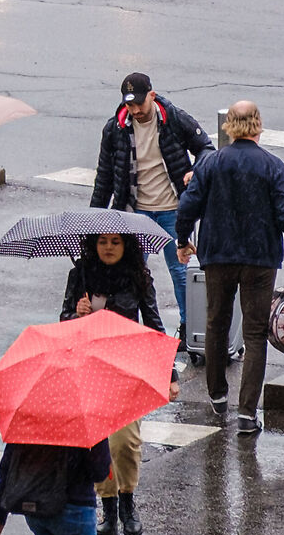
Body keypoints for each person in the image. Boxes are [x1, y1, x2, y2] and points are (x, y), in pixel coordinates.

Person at [176, 101, 284, 437]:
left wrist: (182, 239)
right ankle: (247, 412)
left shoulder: (211, 164)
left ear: (228, 127)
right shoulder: (273, 166)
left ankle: (218, 395)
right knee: (255, 332)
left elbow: (189, 205)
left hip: (217, 254)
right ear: (258, 126)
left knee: (216, 324)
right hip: (260, 259)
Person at [89, 72, 207, 343]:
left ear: (152, 96)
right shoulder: (115, 129)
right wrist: (94, 220)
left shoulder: (174, 119)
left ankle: (190, 332)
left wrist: (194, 172)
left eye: (140, 104)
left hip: (172, 210)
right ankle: (128, 333)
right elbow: (104, 178)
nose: (135, 110)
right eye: (130, 105)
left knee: (180, 273)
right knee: (130, 275)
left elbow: (205, 148)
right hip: (135, 213)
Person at [62, 232, 163, 535]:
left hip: (126, 367)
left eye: (115, 242)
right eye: (102, 242)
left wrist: (168, 374)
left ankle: (128, 503)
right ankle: (108, 506)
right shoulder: (79, 275)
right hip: (90, 367)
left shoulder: (138, 279)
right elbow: (63, 320)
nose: (108, 248)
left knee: (126, 442)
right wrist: (75, 316)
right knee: (99, 443)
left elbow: (154, 325)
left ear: (126, 246)